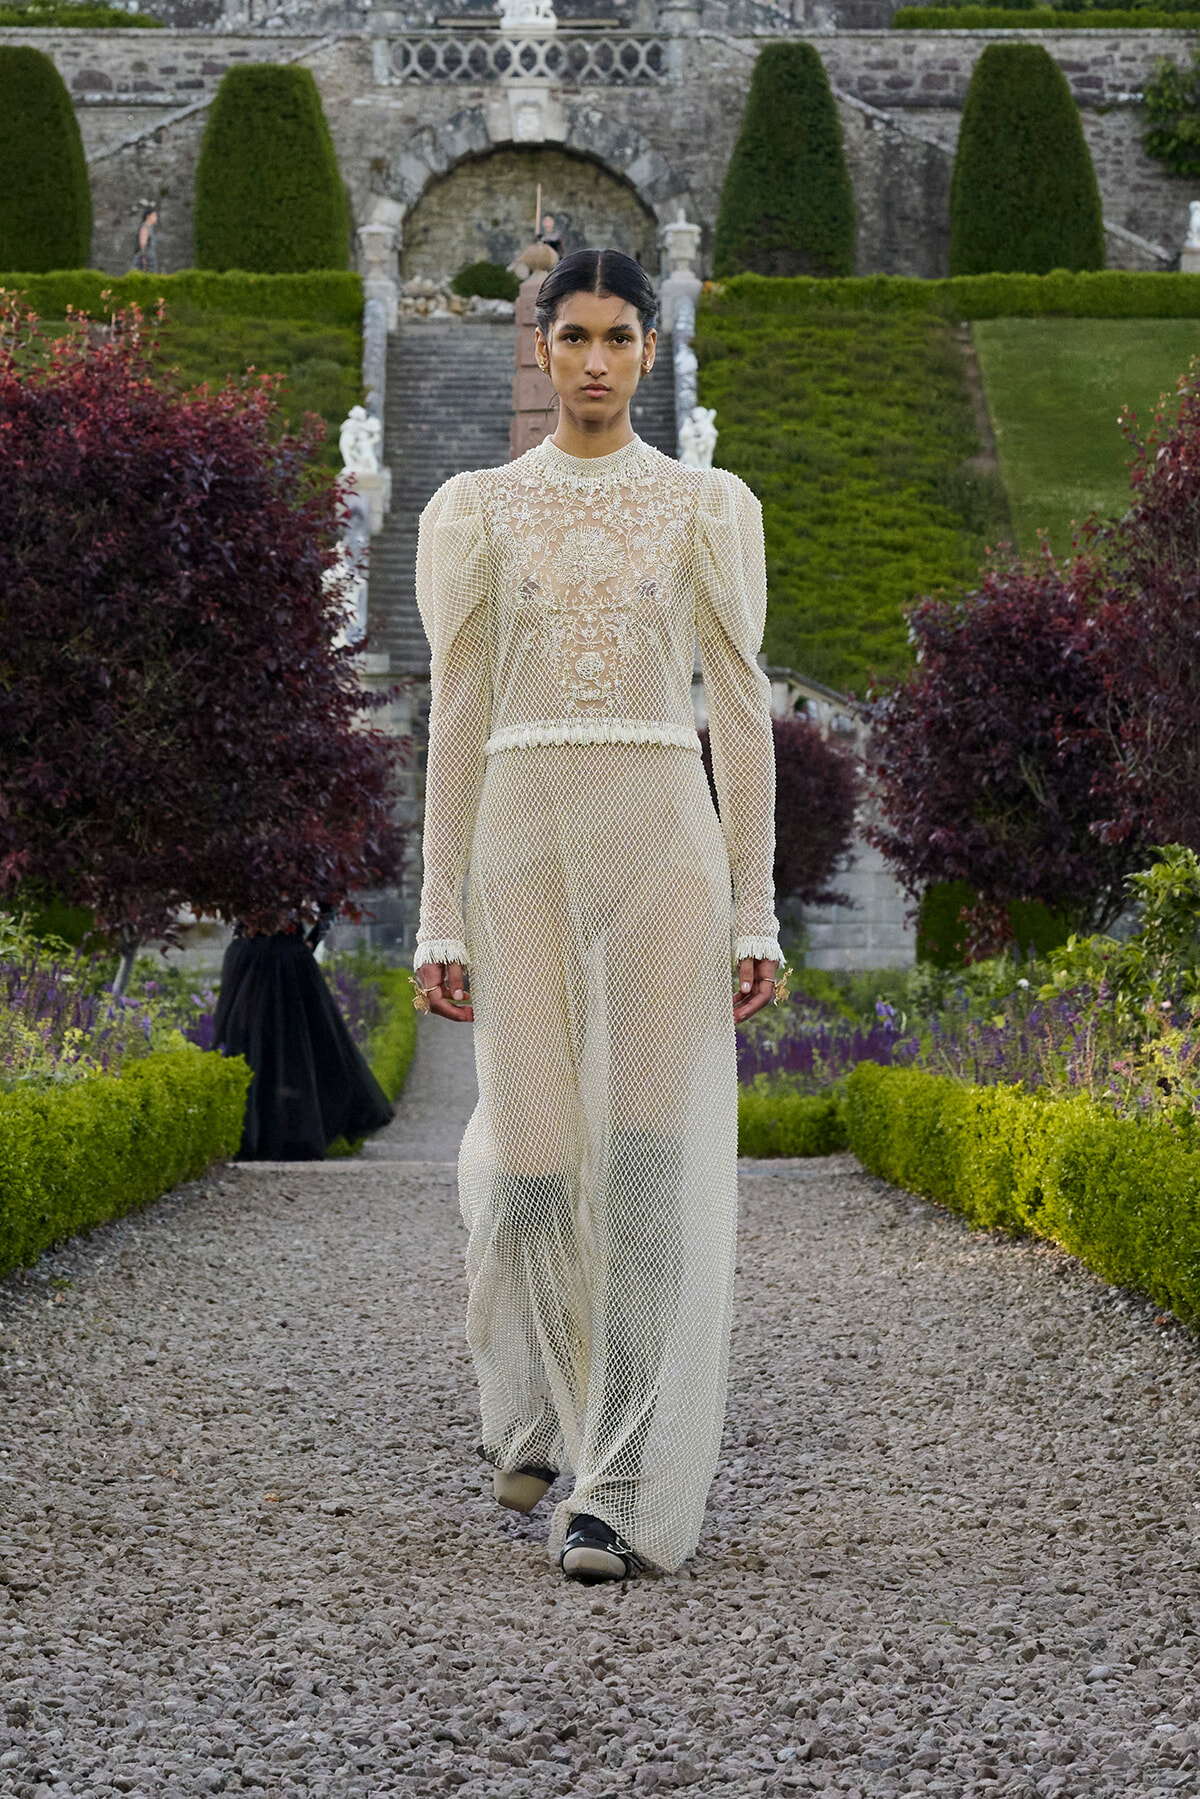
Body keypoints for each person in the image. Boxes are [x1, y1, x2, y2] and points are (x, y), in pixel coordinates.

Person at [414, 248, 780, 1584]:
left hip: (661, 841)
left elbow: (740, 711)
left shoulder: (702, 505)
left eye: (620, 337)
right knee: (522, 1166)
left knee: (637, 1173)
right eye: (572, 336)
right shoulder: (476, 509)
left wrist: (757, 907)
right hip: (518, 834)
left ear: (652, 348)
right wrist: (435, 908)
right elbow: (454, 710)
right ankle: (525, 1408)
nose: (594, 362)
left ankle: (613, 1488)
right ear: (539, 344)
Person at [213, 915, 393, 1161]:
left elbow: (327, 903)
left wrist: (310, 941)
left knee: (295, 1043)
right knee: (249, 1040)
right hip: (259, 957)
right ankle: (253, 1133)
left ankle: (290, 1134)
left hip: (287, 962)